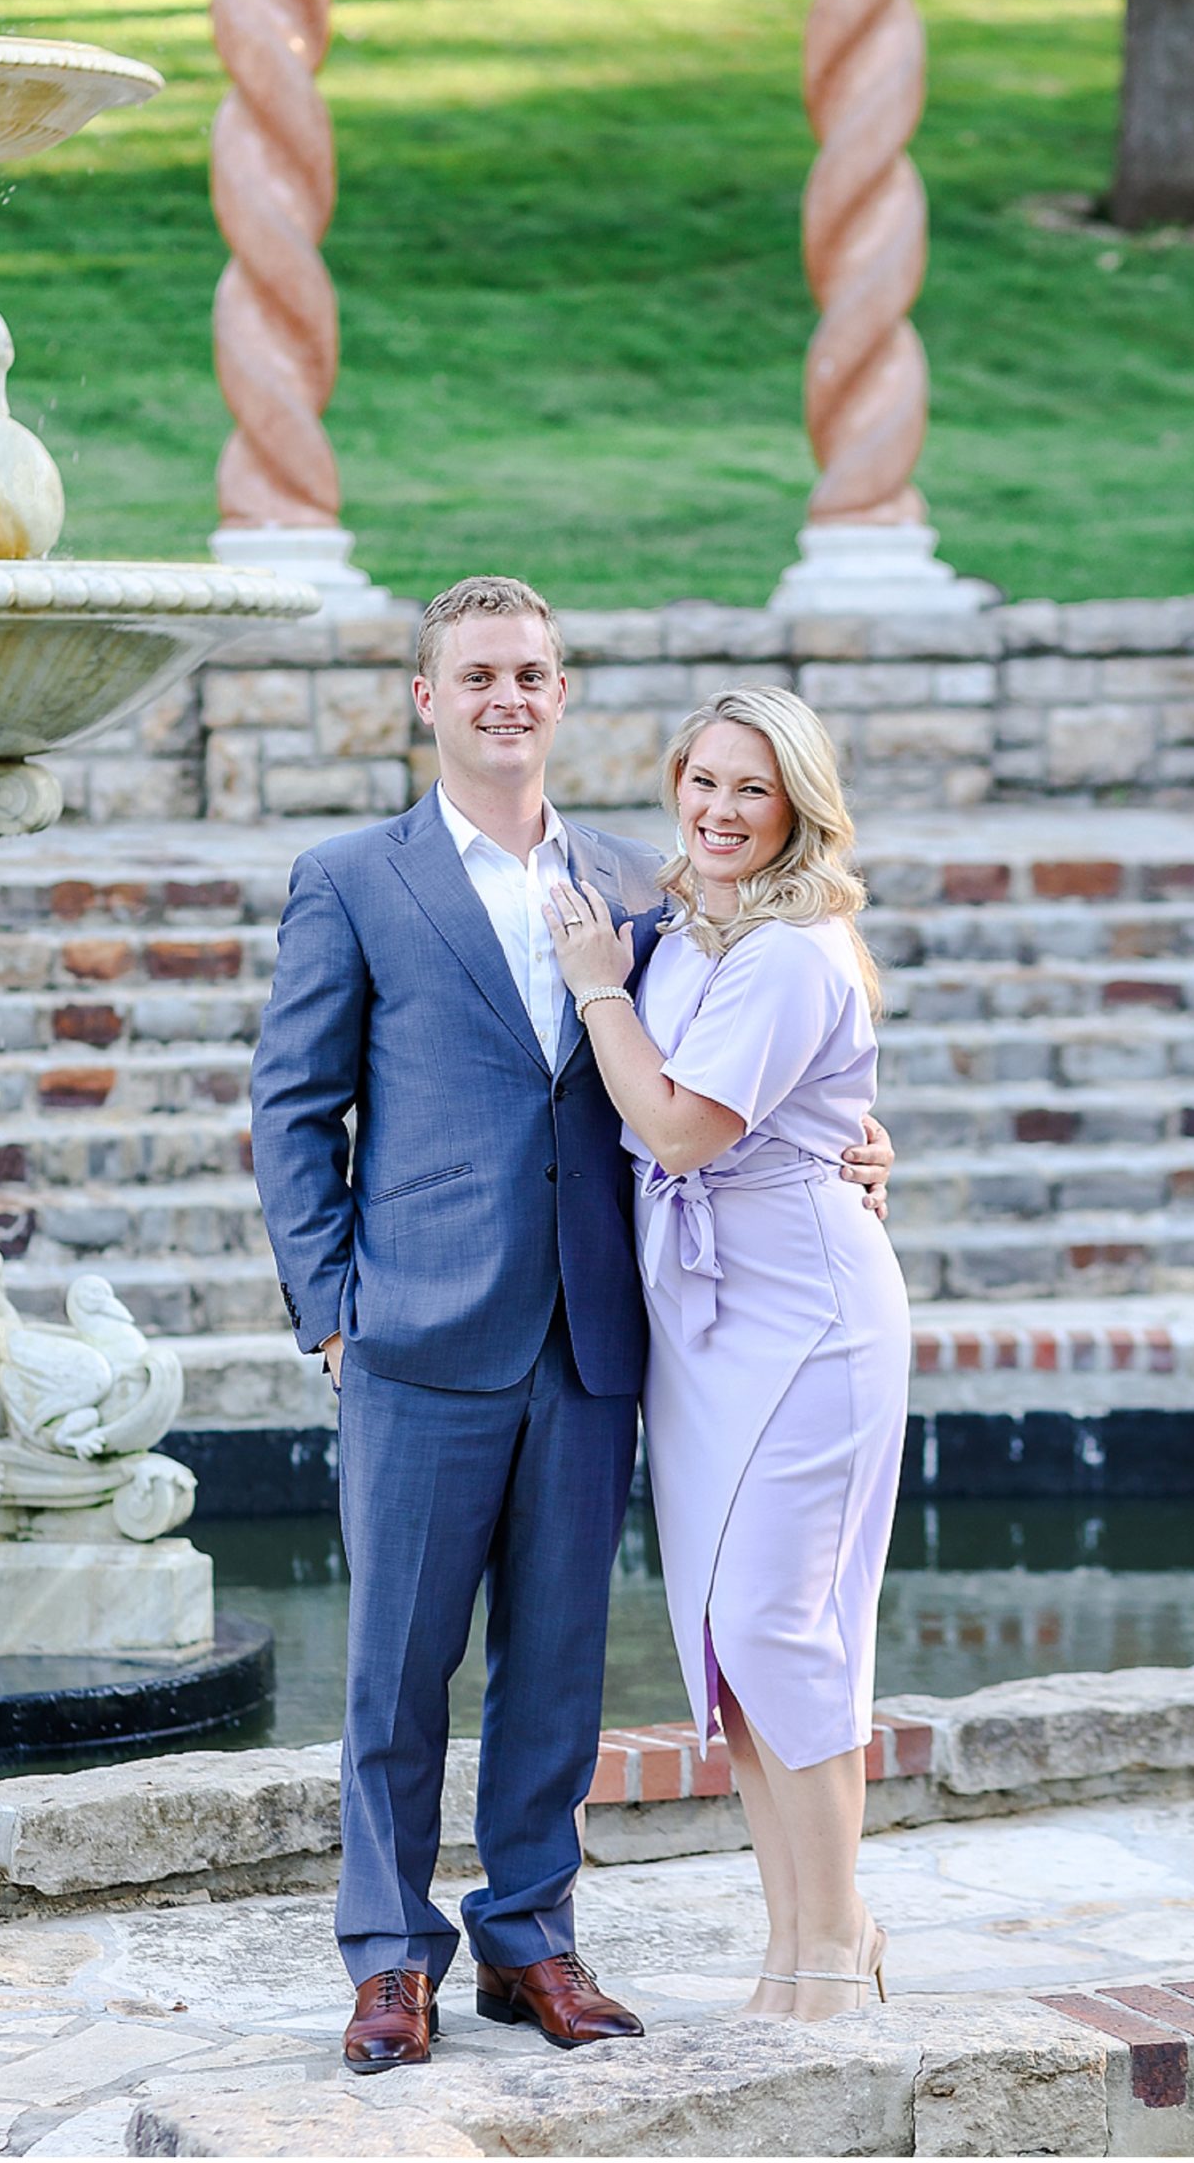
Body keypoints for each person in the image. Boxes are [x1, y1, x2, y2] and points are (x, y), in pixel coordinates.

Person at [249, 580, 894, 2074]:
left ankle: (528, 1936)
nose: (505, 699)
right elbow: (292, 1106)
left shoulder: (641, 888)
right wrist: (330, 1308)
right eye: (474, 675)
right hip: (415, 1335)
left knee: (556, 1667)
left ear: (562, 693)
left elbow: (764, 1049)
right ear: (425, 697)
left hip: (600, 1341)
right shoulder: (352, 877)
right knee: (394, 1672)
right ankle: (389, 1957)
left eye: (530, 674)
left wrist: (863, 1145)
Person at [545, 687, 910, 2025]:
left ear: (797, 804)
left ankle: (829, 1947)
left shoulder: (790, 949)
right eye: (699, 780)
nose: (715, 809)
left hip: (803, 1327)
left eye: (748, 789)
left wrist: (594, 992)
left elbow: (683, 1131)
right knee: (730, 1647)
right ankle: (806, 1936)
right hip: (706, 1332)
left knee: (779, 1630)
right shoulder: (695, 931)